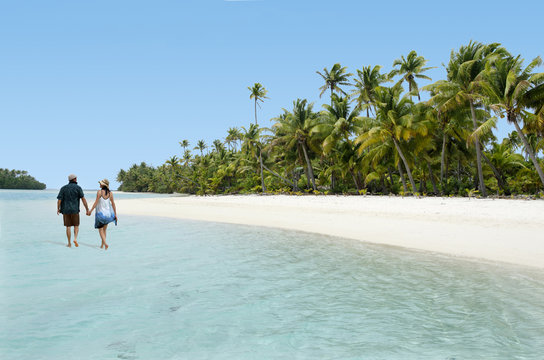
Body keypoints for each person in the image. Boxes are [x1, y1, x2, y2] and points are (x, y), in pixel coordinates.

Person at [57, 174, 89, 248]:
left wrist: (58, 208)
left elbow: (59, 200)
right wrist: (87, 209)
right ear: (74, 179)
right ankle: (75, 239)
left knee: (68, 226)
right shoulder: (78, 188)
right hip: (75, 210)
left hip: (65, 210)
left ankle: (69, 243)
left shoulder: (63, 188)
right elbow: (83, 200)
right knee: (76, 226)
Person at [87, 179, 117, 250]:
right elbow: (113, 204)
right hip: (108, 215)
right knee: (104, 230)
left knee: (100, 230)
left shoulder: (99, 192)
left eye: (100, 183)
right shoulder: (110, 193)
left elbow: (96, 202)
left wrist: (90, 210)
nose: (99, 184)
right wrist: (115, 214)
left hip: (100, 214)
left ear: (103, 185)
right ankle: (102, 245)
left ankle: (105, 244)